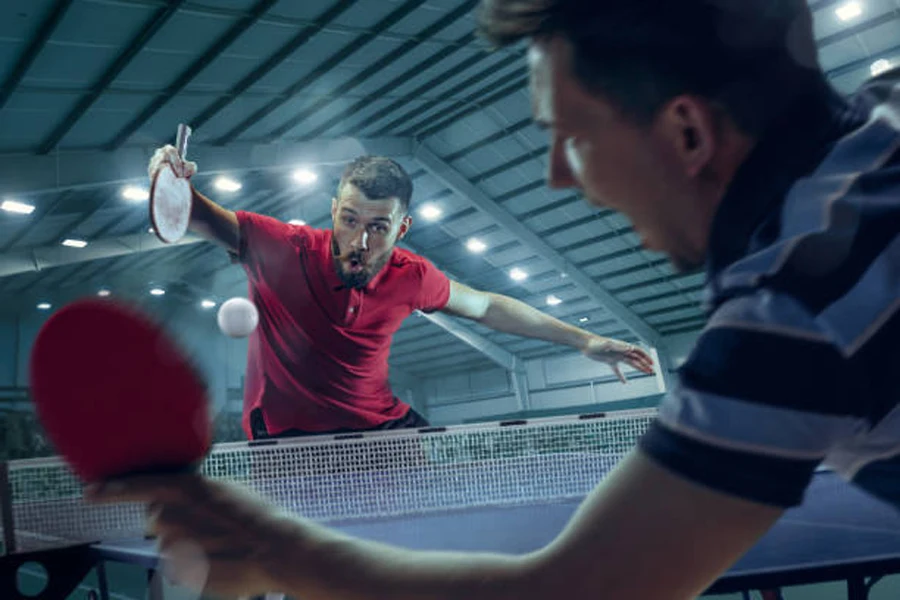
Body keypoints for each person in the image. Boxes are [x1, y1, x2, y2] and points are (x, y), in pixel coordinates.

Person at [88, 0, 900, 598]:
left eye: (572, 137)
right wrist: (173, 192)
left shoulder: (784, 327)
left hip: (374, 446)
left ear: (687, 133)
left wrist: (268, 547)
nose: (554, 174)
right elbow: (196, 217)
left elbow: (574, 594)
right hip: (293, 446)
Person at [147, 150, 653, 440]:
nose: (360, 242)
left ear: (402, 228)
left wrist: (584, 340)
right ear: (334, 211)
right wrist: (166, 177)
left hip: (382, 428)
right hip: (289, 436)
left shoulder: (412, 276)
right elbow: (194, 212)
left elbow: (487, 305)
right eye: (349, 220)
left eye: (378, 227)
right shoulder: (285, 249)